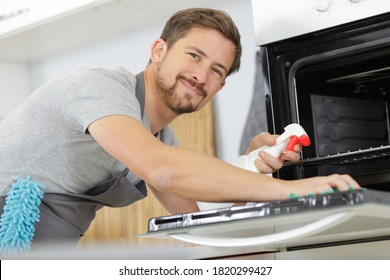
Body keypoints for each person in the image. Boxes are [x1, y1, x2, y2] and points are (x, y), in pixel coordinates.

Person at [0, 8, 360, 248]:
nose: (201, 76)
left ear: (219, 89)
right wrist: (301, 191)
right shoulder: (100, 89)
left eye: (217, 71)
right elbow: (163, 168)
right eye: (194, 55)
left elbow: (199, 220)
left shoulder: (157, 138)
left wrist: (252, 166)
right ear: (159, 50)